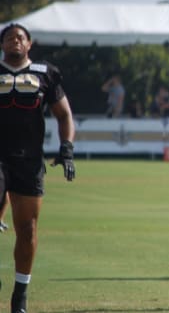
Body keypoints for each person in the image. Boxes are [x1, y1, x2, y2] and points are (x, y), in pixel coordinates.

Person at [0, 23, 76, 313]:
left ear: (29, 44)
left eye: (20, 38)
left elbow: (64, 114)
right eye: (9, 38)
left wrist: (66, 149)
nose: (15, 41)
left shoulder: (47, 73)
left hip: (29, 160)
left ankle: (20, 294)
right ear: (2, 44)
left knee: (28, 229)